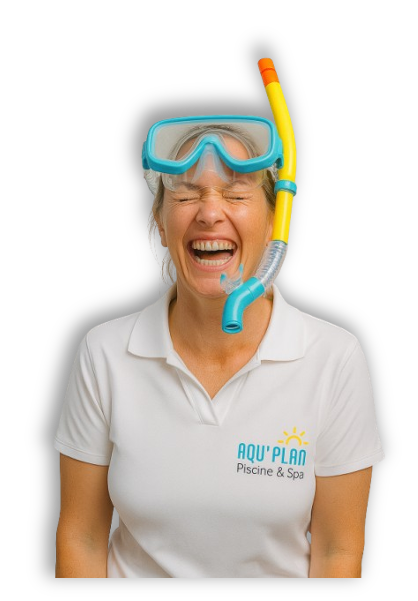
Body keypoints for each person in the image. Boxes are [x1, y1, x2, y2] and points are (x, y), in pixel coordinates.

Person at [54, 116, 385, 579]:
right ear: (160, 223)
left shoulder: (334, 357)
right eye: (186, 195)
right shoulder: (103, 353)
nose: (209, 213)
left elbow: (337, 551)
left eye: (236, 194)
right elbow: (82, 537)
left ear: (274, 222)